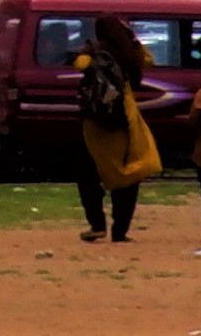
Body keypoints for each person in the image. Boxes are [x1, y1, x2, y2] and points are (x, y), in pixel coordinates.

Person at [72, 17, 156, 241]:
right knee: (127, 173)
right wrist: (132, 40)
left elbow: (78, 65)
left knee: (89, 172)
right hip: (125, 119)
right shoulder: (132, 53)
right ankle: (120, 230)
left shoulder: (94, 51)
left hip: (96, 121)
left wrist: (88, 52)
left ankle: (97, 224)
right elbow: (149, 60)